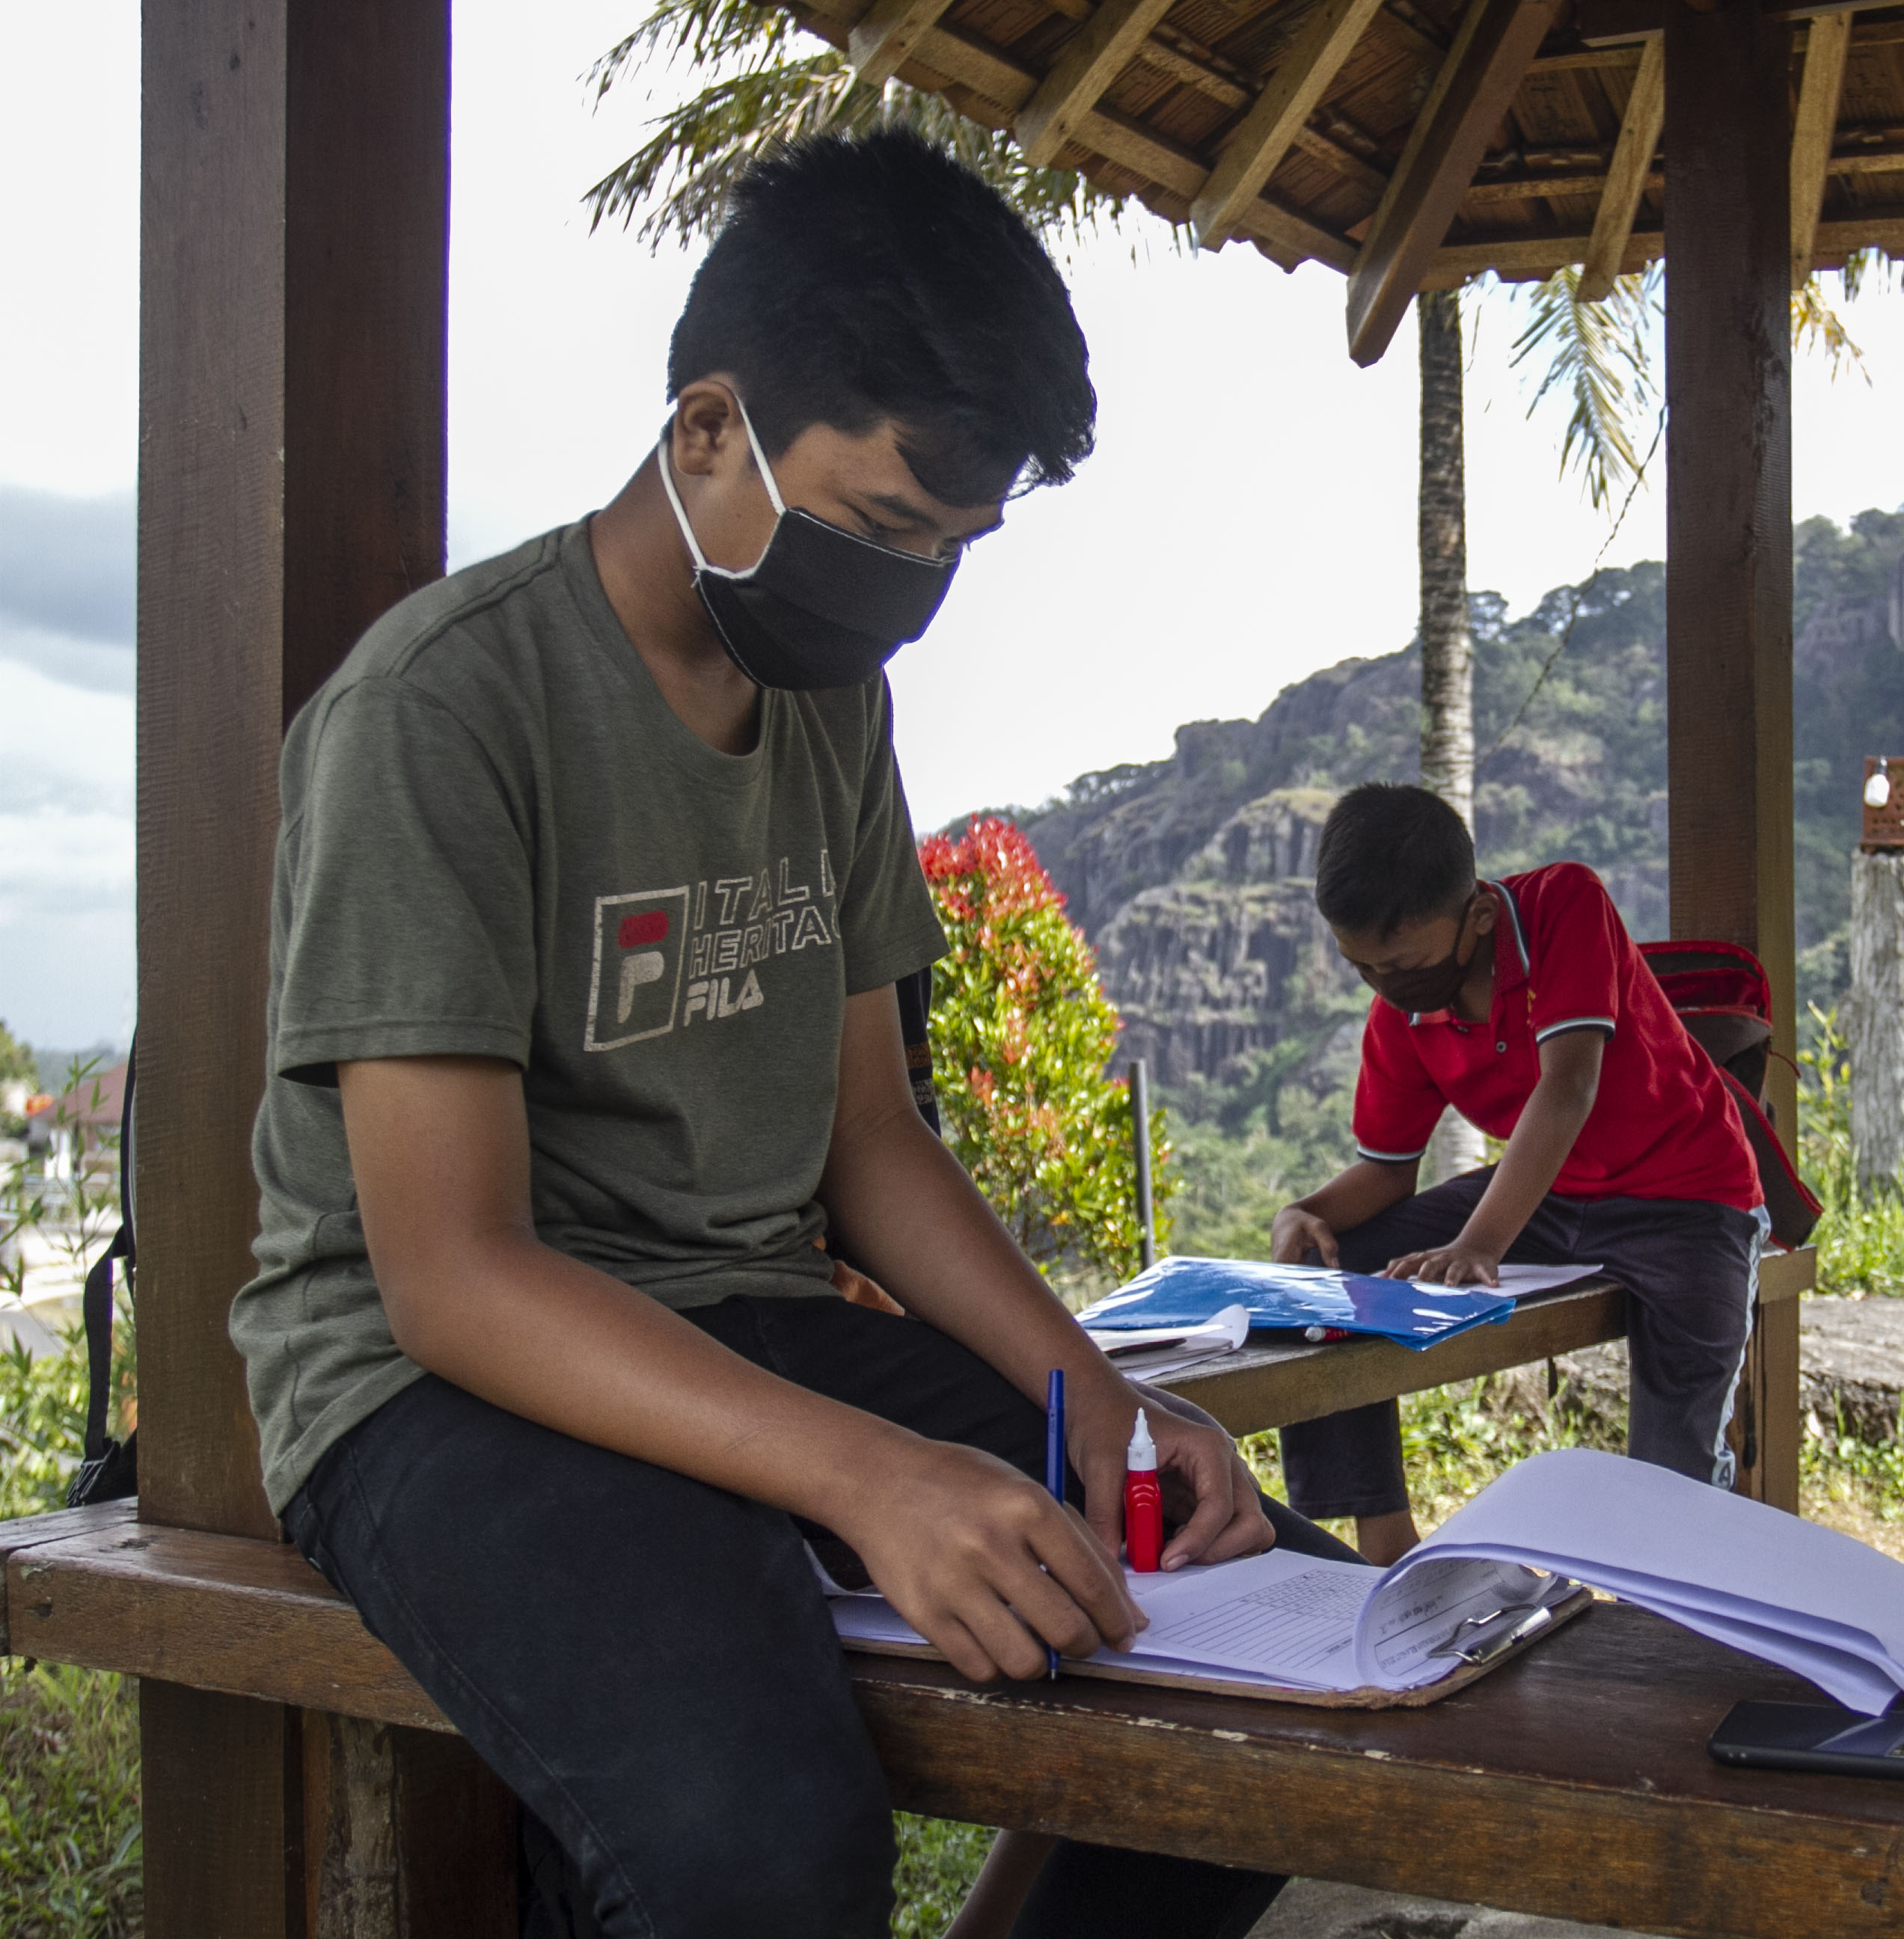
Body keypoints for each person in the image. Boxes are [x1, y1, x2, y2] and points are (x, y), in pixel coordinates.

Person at [232, 131, 1336, 1939]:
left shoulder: (828, 702)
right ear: (707, 432)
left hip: (748, 1311)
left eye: (955, 550)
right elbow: (450, 1276)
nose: (911, 590)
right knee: (755, 1849)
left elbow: (871, 1142)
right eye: (884, 529)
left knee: (1264, 1652)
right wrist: (874, 1476)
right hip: (437, 1380)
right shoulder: (442, 708)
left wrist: (1100, 1402)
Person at [1270, 784, 1771, 1566]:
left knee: (1674, 1468)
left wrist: (1479, 1244)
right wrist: (1306, 1212)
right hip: (1550, 1194)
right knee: (1334, 1269)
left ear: (1477, 916)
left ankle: (1678, 1592)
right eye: (1360, 966)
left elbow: (1568, 1087)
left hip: (1687, 1197)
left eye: (1400, 964)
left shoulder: (1565, 905)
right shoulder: (1401, 1012)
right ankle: (1386, 1549)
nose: (1383, 986)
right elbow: (1386, 1172)